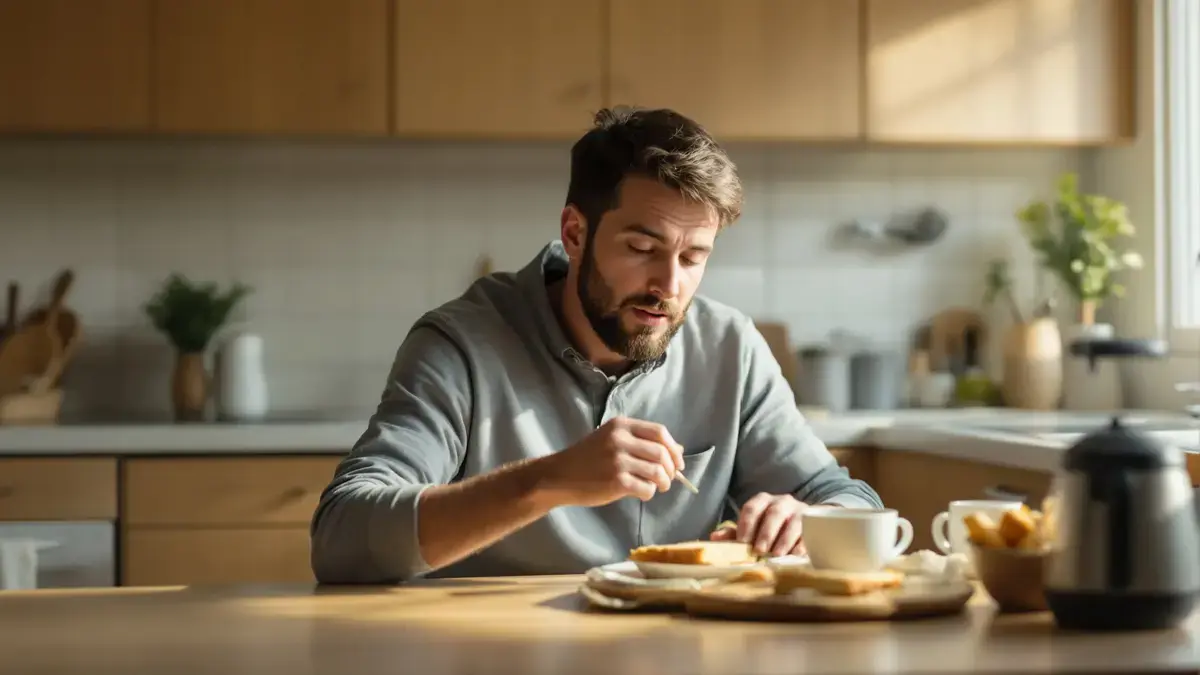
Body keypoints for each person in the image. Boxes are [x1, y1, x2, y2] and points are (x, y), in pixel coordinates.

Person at [310, 106, 884, 584]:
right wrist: (548, 481)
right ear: (575, 233)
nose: (669, 285)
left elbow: (847, 497)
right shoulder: (461, 345)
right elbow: (341, 538)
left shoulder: (730, 347)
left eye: (692, 257)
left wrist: (810, 517)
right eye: (642, 248)